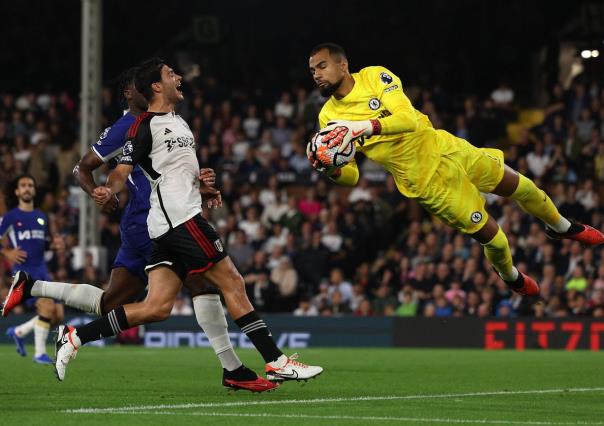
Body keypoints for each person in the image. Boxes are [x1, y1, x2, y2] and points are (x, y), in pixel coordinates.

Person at [4, 58, 322, 384]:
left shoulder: (178, 121)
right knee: (227, 282)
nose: (179, 77)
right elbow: (111, 169)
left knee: (154, 306)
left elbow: (173, 169)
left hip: (161, 221)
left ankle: (72, 334)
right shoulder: (137, 127)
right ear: (144, 89)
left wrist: (204, 185)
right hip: (172, 220)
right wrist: (104, 190)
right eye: (171, 74)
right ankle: (271, 361)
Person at [306, 43, 604, 296]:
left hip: (445, 147)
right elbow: (353, 175)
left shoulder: (374, 76)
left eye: (322, 66)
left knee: (525, 187)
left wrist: (360, 127)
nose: (317, 75)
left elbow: (408, 119)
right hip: (427, 183)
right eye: (313, 71)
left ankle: (563, 227)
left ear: (343, 65)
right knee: (496, 238)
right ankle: (511, 277)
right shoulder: (328, 116)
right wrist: (330, 168)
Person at [1, 174, 64, 364]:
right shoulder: (10, 217)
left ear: (34, 191)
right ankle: (39, 354)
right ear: (17, 191)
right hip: (23, 271)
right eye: (23, 185)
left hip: (42, 270)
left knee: (57, 314)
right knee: (47, 306)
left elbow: (41, 243)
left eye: (30, 185)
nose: (27, 188)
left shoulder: (41, 217)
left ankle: (19, 332)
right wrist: (7, 252)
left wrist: (53, 246)